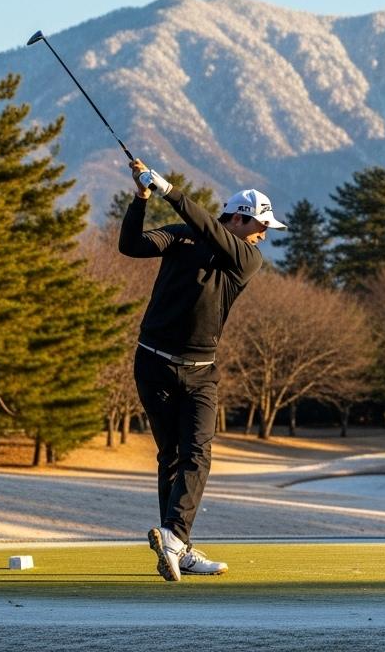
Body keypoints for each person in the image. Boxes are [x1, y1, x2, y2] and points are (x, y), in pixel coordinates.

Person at [118, 158, 286, 581]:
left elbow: (211, 230)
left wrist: (171, 191)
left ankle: (174, 539)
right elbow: (131, 245)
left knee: (197, 453)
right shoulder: (181, 235)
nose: (264, 235)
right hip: (153, 362)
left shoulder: (247, 259)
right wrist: (141, 198)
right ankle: (179, 547)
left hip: (201, 372)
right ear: (240, 218)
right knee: (171, 457)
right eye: (261, 225)